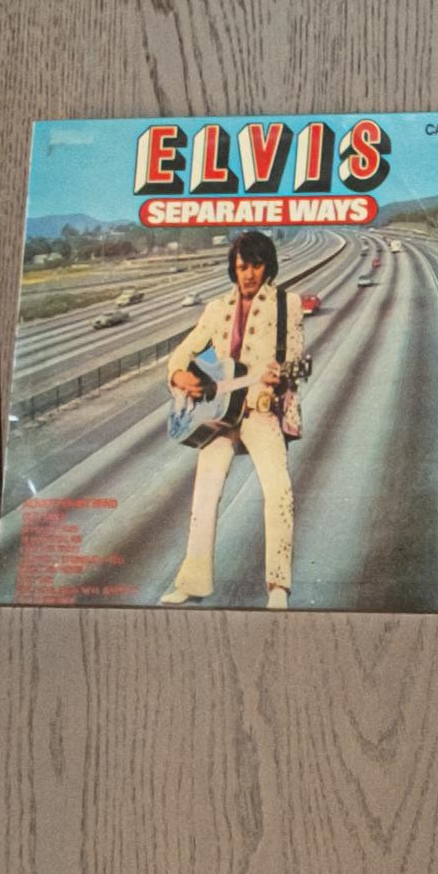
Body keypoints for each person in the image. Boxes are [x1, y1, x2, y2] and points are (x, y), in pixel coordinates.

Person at [162, 227, 303, 607]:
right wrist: (179, 376)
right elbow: (182, 354)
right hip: (220, 415)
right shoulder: (216, 309)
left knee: (279, 494)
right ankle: (192, 583)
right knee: (204, 495)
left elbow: (292, 358)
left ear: (267, 267)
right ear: (233, 268)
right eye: (242, 267)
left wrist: (280, 376)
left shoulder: (287, 304)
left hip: (260, 410)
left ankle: (278, 587)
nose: (249, 274)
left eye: (256, 265)